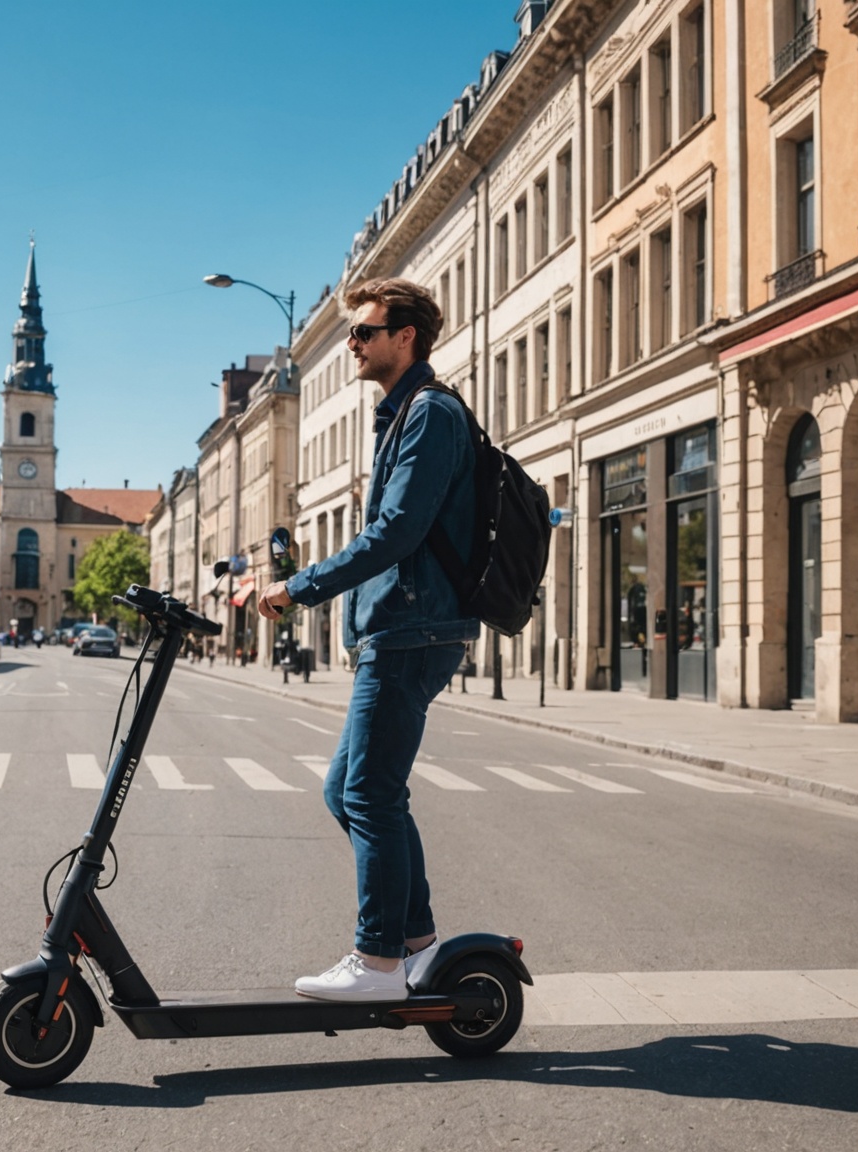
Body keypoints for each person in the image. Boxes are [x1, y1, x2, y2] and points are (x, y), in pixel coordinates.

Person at [255, 277, 477, 1003]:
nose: (352, 343)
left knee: (371, 793)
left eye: (364, 331)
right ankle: (416, 946)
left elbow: (397, 533)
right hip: (397, 626)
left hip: (414, 629)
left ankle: (377, 960)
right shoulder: (402, 414)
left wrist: (301, 585)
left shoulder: (431, 414)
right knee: (348, 792)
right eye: (351, 333)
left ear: (404, 336)